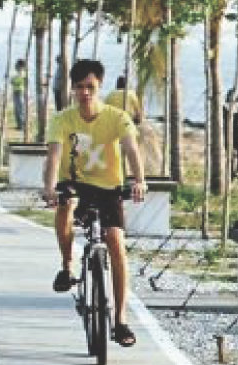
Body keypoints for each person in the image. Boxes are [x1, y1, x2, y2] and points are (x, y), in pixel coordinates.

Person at [42, 59, 147, 349]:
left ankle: (120, 320)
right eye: (79, 87)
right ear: (72, 89)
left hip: (109, 187)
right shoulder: (62, 119)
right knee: (65, 205)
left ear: (100, 86)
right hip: (74, 182)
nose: (85, 93)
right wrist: (49, 187)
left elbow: (131, 148)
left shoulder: (117, 117)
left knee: (116, 241)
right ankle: (67, 266)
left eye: (90, 87)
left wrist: (139, 180)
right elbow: (53, 156)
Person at [10, 58, 27, 130]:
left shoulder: (22, 74)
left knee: (20, 109)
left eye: (17, 64)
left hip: (19, 92)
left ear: (20, 66)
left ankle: (22, 125)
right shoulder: (18, 74)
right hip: (16, 91)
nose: (15, 66)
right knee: (17, 109)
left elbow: (15, 82)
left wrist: (13, 81)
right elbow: (13, 81)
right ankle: (19, 125)